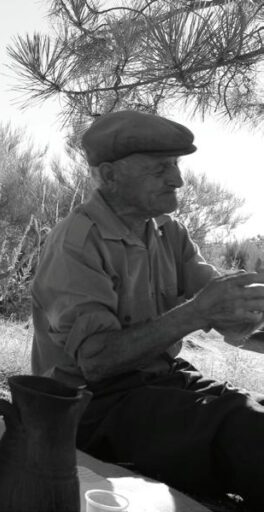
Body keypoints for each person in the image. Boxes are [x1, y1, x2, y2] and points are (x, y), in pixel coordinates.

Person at [31, 110, 264, 509]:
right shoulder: (76, 242)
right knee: (248, 431)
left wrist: (242, 310)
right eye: (160, 170)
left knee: (251, 417)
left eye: (175, 165)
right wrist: (197, 312)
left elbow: (224, 302)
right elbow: (97, 363)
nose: (178, 180)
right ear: (109, 176)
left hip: (160, 385)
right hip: (92, 407)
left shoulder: (166, 230)